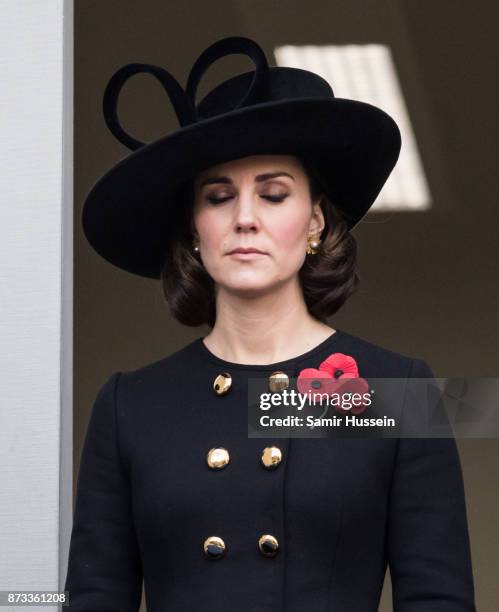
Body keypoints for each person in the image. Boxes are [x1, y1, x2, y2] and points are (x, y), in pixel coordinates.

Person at [64, 36, 476, 610]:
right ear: (193, 230)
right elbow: (93, 598)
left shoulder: (401, 391)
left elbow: (438, 599)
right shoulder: (128, 405)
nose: (246, 218)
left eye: (274, 194)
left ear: (314, 222)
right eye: (218, 196)